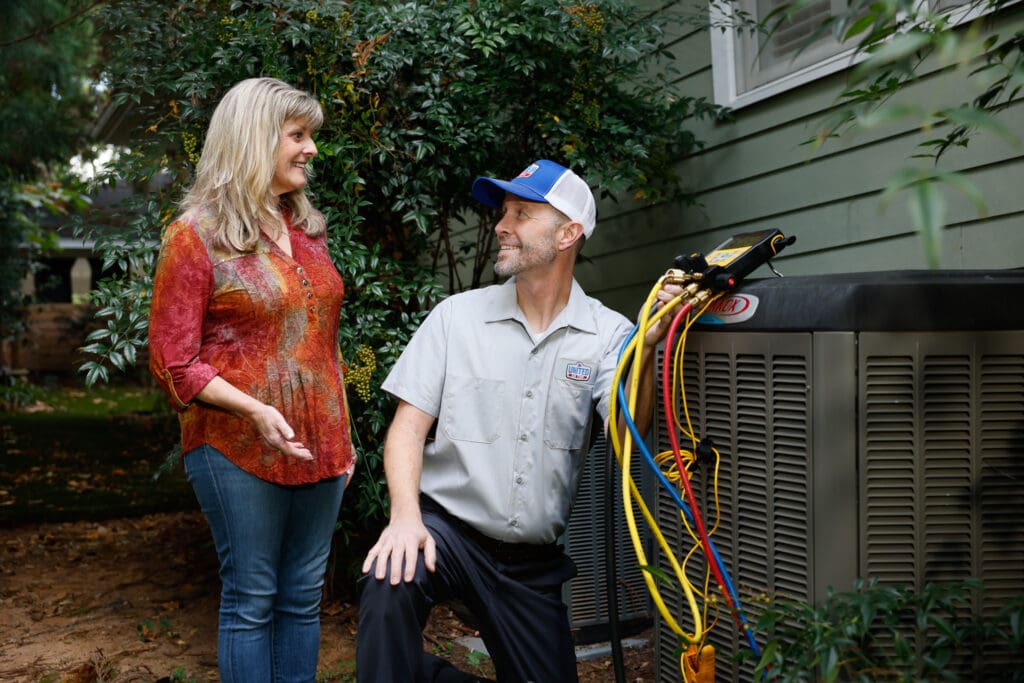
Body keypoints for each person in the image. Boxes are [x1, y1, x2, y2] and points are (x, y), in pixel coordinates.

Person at [355, 159, 679, 682]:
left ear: (568, 234)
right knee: (389, 578)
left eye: (522, 214)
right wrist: (404, 518)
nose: (502, 225)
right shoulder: (455, 318)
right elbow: (408, 430)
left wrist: (646, 348)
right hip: (447, 531)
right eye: (504, 211)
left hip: (532, 560)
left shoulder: (608, 335)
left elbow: (626, 437)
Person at [148, 77, 356, 683]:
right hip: (235, 446)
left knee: (302, 598)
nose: (311, 149)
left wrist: (343, 440)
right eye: (297, 135)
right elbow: (171, 360)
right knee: (252, 598)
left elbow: (323, 343)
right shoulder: (194, 235)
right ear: (254, 139)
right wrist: (255, 411)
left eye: (310, 135)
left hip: (321, 447)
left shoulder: (309, 231)